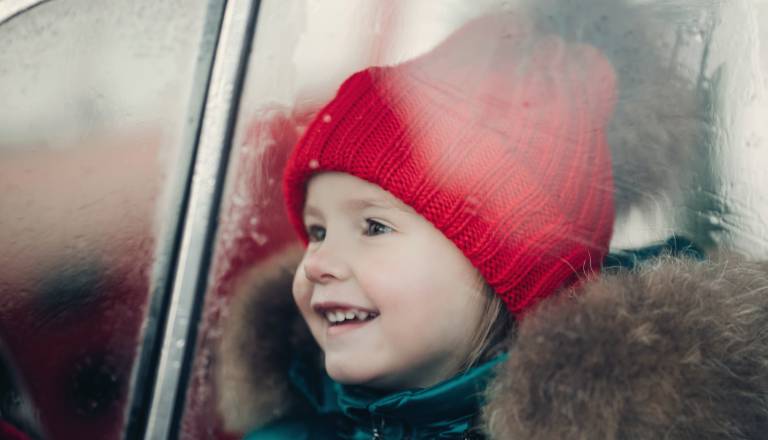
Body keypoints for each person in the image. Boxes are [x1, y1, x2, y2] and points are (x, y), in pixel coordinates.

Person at [219, 11, 768, 440]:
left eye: (373, 228)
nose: (316, 263)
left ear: (504, 267)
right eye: (316, 231)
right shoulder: (288, 428)